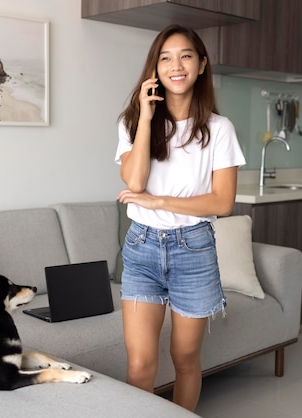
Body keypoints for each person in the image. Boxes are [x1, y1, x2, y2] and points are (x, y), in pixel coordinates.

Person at [114, 25, 245, 412]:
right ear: (155, 68)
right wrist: (146, 117)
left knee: (185, 359)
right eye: (166, 57)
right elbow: (135, 180)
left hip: (194, 251)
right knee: (140, 365)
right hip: (141, 250)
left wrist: (159, 202)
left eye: (186, 56)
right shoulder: (131, 123)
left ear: (202, 65)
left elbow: (222, 203)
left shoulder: (219, 130)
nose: (176, 65)